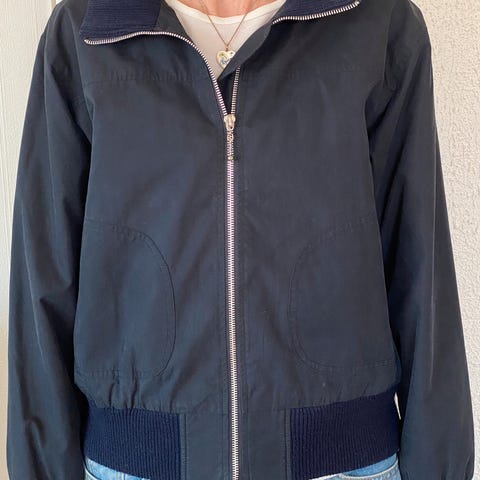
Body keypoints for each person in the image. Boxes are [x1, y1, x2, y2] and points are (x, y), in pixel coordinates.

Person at [6, 0, 475, 479]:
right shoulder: (87, 31)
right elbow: (44, 276)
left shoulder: (376, 23)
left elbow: (421, 265)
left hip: (342, 461)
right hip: (136, 463)